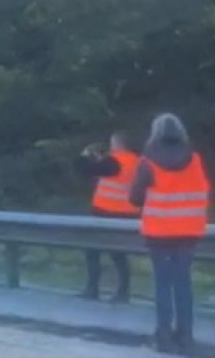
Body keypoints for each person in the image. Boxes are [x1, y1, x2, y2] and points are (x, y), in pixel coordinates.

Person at [129, 113, 210, 354]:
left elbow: (134, 198)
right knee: (183, 283)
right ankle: (185, 335)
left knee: (163, 285)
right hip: (188, 233)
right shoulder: (195, 159)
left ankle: (163, 336)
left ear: (155, 133)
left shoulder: (148, 162)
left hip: (160, 233)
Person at [74, 131, 140, 303]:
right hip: (129, 214)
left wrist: (85, 156)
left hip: (105, 211)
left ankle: (92, 288)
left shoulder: (115, 161)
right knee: (118, 254)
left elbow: (86, 170)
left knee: (92, 250)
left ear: (119, 144)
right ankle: (123, 292)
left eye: (113, 144)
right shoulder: (138, 162)